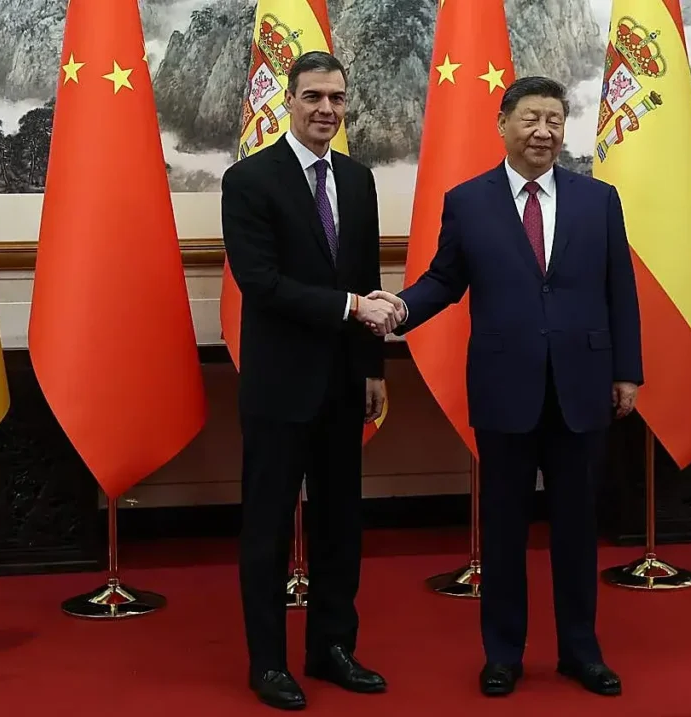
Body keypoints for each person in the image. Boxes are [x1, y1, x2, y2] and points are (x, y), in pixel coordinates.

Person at [369, 76, 643, 698]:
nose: (543, 131)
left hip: (583, 386)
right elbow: (444, 281)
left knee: (577, 528)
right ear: (503, 124)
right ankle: (502, 654)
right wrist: (400, 308)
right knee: (503, 528)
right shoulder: (468, 202)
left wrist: (627, 370)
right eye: (531, 119)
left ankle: (581, 651)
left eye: (554, 119)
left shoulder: (598, 200)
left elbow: (619, 290)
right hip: (504, 388)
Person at [221, 51, 399, 711]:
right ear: (287, 101)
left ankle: (331, 646)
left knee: (339, 524)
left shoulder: (358, 181)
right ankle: (266, 662)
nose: (326, 109)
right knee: (268, 528)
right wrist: (351, 308)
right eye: (314, 97)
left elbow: (366, 271)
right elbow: (261, 285)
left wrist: (374, 365)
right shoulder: (249, 180)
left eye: (337, 98)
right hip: (278, 385)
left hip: (345, 381)